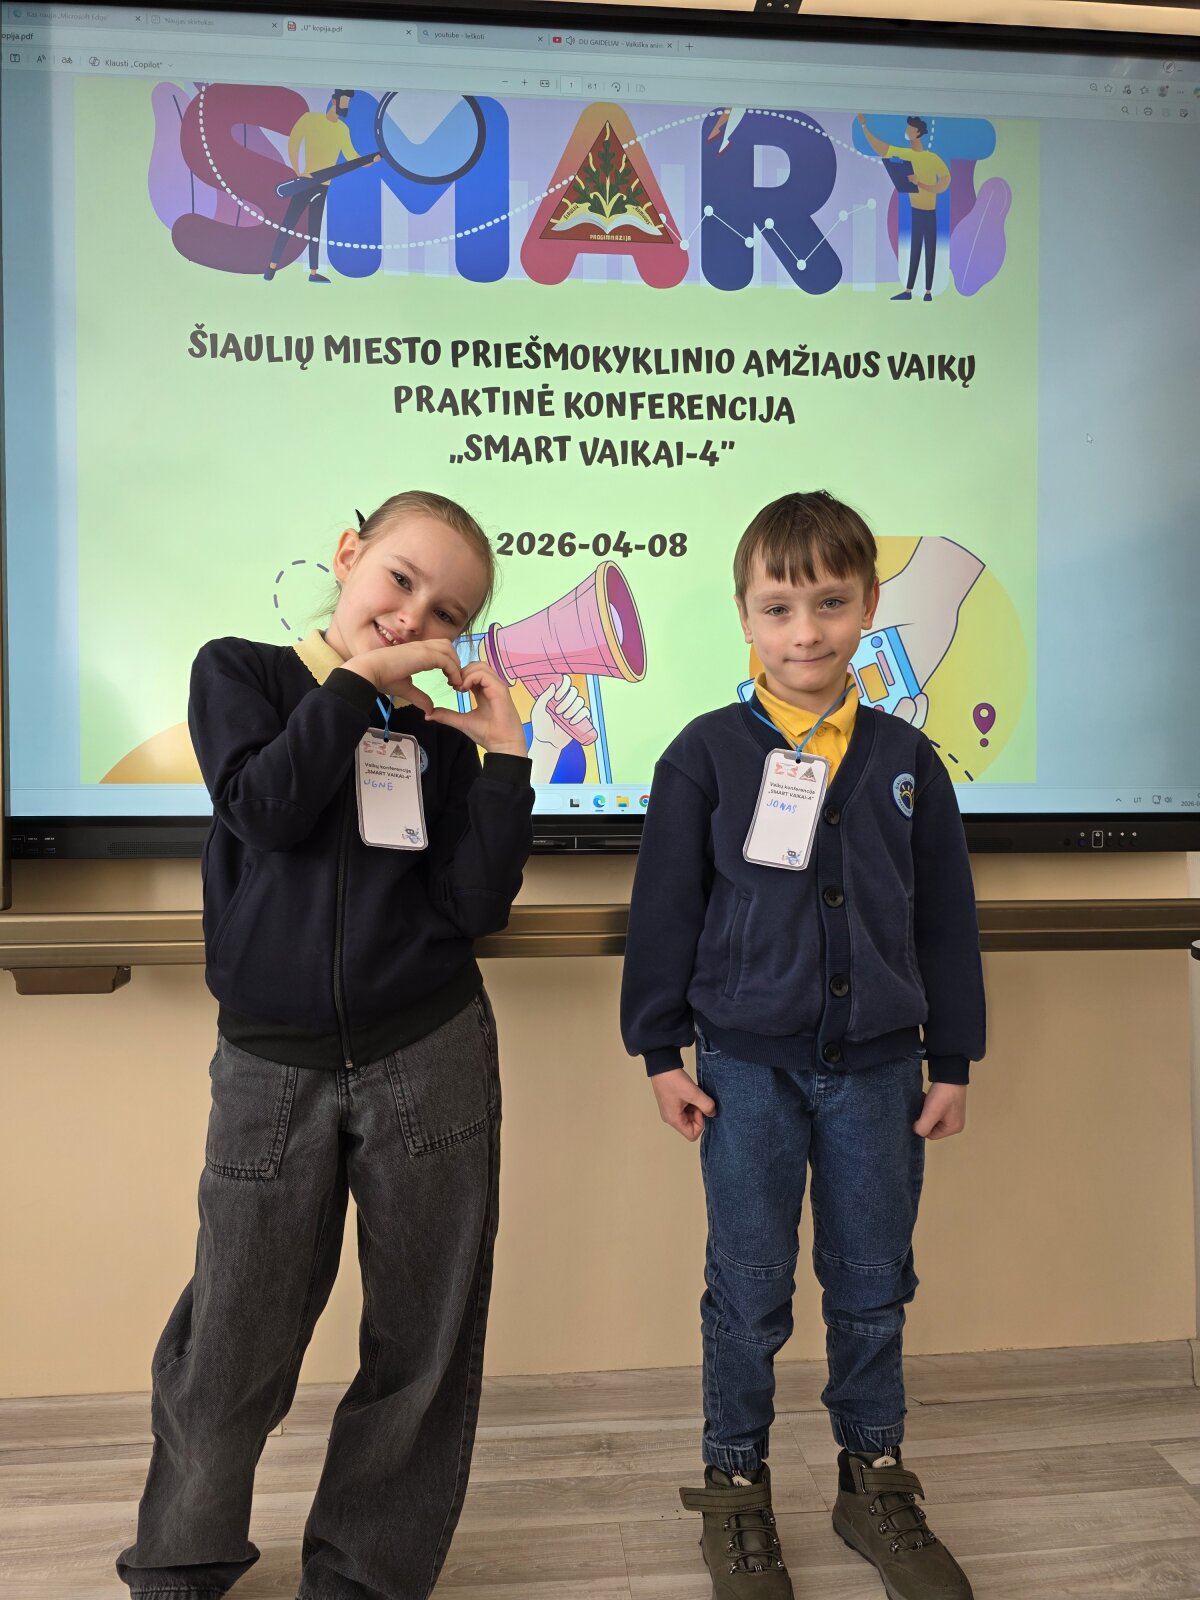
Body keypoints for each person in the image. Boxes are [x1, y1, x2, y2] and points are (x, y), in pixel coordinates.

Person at [116, 490, 534, 1600]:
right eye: (400, 579)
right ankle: (179, 1564)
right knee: (230, 1339)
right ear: (350, 555)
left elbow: (474, 904)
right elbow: (264, 807)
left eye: (447, 614)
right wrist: (356, 687)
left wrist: (502, 763)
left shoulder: (431, 737)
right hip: (271, 1069)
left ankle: (362, 1574)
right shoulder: (240, 673)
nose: (413, 618)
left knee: (420, 1341)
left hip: (430, 1051)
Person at [621, 491, 984, 1600]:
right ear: (745, 617)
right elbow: (664, 912)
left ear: (869, 605)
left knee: (872, 1284)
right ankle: (735, 1486)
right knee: (748, 1287)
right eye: (779, 608)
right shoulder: (703, 755)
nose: (806, 631)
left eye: (830, 603)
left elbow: (944, 919)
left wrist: (952, 1058)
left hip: (879, 1073)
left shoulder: (908, 757)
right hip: (744, 1074)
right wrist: (661, 1053)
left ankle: (873, 1477)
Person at [265, 90, 379, 283]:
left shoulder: (342, 129)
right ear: (334, 101)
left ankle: (313, 272)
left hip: (324, 185)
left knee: (314, 229)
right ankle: (271, 267)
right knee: (288, 224)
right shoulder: (311, 119)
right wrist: (298, 171)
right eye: (344, 101)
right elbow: (294, 142)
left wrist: (371, 160)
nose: (346, 106)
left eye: (348, 102)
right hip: (306, 181)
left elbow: (351, 156)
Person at [857, 114, 950, 302]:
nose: (906, 132)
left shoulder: (932, 158)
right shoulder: (905, 155)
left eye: (909, 129)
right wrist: (864, 126)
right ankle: (908, 290)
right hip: (916, 211)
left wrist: (921, 184)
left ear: (918, 132)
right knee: (915, 250)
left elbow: (945, 183)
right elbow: (881, 148)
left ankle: (928, 292)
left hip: (929, 212)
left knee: (930, 250)